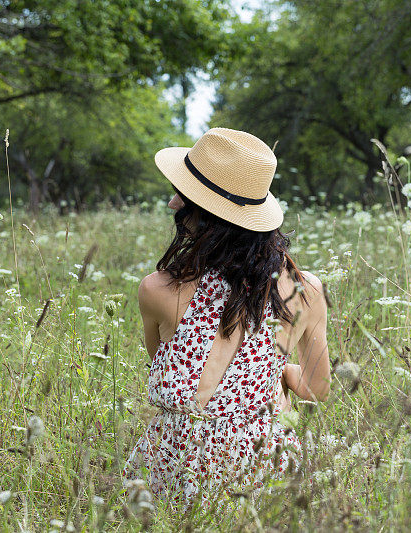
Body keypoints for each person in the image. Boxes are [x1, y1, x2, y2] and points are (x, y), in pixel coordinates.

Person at [123, 127, 331, 510]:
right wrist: (280, 372)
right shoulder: (306, 289)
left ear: (208, 216)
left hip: (177, 469)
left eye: (183, 195)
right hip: (264, 469)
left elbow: (164, 367)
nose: (172, 203)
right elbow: (317, 390)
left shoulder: (158, 290)